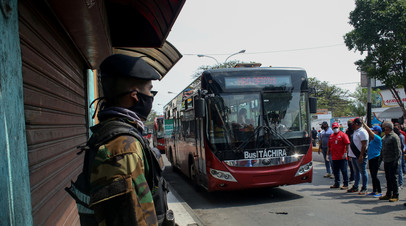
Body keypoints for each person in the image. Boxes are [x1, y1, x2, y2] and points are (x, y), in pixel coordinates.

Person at [89, 54, 163, 225]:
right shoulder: (124, 147)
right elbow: (133, 218)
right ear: (135, 96)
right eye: (149, 90)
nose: (151, 96)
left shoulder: (114, 132)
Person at [379, 121, 402, 202]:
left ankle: (395, 194)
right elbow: (382, 149)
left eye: (384, 127)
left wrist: (396, 161)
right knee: (388, 178)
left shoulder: (394, 137)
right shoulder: (385, 137)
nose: (383, 128)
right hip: (386, 160)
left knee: (393, 179)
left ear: (389, 127)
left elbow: (398, 151)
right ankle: (388, 194)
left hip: (392, 161)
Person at [347, 117, 369, 194]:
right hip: (353, 156)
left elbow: (364, 145)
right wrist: (350, 155)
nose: (351, 125)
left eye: (353, 124)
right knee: (356, 172)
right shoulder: (355, 131)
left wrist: (361, 156)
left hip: (359, 156)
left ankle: (364, 188)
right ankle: (356, 186)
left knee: (363, 172)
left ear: (356, 124)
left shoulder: (362, 132)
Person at [327, 122, 350, 189]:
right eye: (334, 128)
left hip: (342, 157)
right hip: (334, 157)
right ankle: (336, 183)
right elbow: (328, 146)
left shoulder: (343, 135)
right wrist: (327, 154)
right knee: (335, 171)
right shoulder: (331, 136)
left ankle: (346, 184)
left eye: (336, 127)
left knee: (344, 171)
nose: (335, 129)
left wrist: (346, 153)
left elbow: (347, 144)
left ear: (339, 127)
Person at [363, 124, 383, 197]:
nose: (372, 132)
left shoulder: (378, 138)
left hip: (375, 158)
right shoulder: (372, 139)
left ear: (377, 132)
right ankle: (374, 190)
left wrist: (364, 124)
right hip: (371, 158)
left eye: (374, 131)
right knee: (372, 175)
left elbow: (369, 131)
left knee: (375, 175)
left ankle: (379, 191)